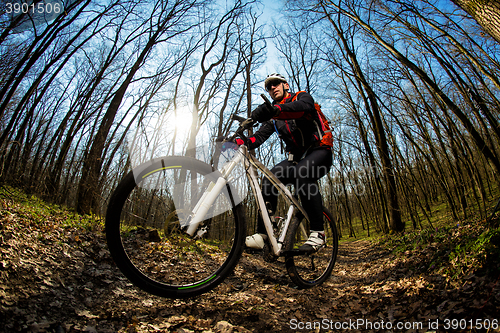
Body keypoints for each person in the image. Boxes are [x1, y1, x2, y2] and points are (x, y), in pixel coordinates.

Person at [242, 73, 333, 252]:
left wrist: (276, 110)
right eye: (269, 87)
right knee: (269, 178)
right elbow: (258, 137)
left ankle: (318, 232)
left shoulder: (301, 96)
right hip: (296, 158)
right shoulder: (274, 116)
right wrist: (236, 141)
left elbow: (304, 108)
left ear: (286, 85)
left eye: (276, 84)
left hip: (319, 150)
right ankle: (264, 234)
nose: (272, 88)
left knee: (302, 173)